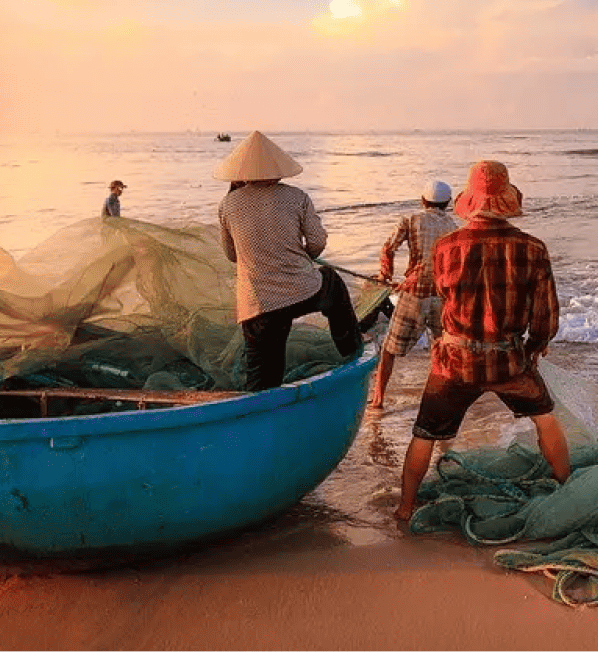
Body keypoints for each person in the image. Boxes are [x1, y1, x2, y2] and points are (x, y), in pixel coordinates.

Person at [396, 160, 568, 525]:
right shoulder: (533, 248)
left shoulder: (445, 247)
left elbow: (442, 295)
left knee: (424, 433)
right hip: (509, 360)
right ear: (506, 200)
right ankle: (566, 489)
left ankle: (405, 507)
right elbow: (546, 316)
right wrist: (535, 347)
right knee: (546, 420)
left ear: (469, 202)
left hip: (454, 361)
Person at [214, 131, 363, 391]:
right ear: (277, 170)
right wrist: (300, 253)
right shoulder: (297, 197)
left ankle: (259, 419)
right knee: (332, 283)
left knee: (262, 379)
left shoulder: (228, 205)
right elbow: (316, 244)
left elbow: (232, 255)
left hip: (258, 304)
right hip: (302, 291)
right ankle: (352, 351)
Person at [369, 179, 460, 408]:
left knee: (390, 349)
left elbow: (388, 248)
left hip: (414, 293)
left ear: (423, 201)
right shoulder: (455, 228)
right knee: (439, 350)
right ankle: (439, 397)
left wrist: (385, 275)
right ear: (447, 203)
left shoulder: (411, 220)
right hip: (442, 295)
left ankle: (378, 399)